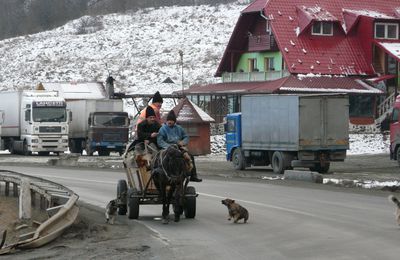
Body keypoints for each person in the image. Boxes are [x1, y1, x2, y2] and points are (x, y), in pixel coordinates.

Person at [157, 110, 202, 182]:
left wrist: (183, 142)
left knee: (190, 156)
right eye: (168, 120)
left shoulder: (179, 128)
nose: (169, 122)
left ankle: (193, 175)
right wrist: (168, 146)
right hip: (167, 148)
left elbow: (186, 136)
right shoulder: (162, 129)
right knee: (169, 159)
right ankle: (167, 173)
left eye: (171, 120)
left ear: (174, 121)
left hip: (178, 147)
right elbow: (160, 141)